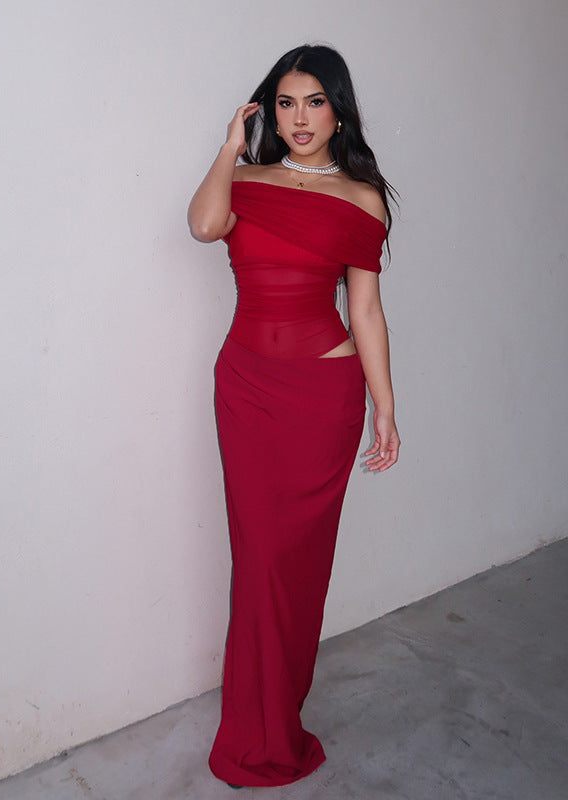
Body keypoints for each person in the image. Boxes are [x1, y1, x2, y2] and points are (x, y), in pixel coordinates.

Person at [188, 44, 400, 788]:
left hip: (321, 398)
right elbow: (204, 226)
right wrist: (228, 148)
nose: (300, 118)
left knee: (295, 566)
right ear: (268, 113)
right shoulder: (244, 179)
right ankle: (256, 730)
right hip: (246, 388)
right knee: (258, 562)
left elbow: (365, 311)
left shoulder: (362, 198)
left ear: (338, 110)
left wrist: (385, 407)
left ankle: (277, 715)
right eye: (286, 103)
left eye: (315, 101)